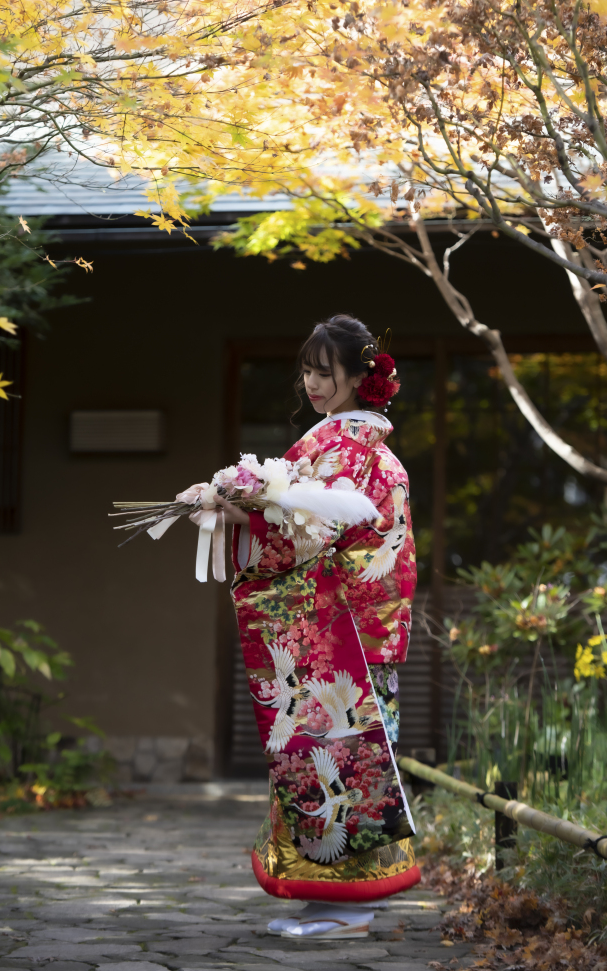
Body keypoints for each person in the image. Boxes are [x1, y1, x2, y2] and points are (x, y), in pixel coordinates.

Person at [191, 314, 419, 939]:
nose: (311, 383)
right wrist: (239, 508)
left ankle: (349, 903)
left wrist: (239, 513)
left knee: (340, 760)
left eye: (325, 372)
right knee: (338, 760)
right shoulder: (353, 444)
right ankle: (338, 899)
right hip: (352, 628)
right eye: (308, 371)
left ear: (359, 376)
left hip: (340, 630)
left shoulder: (348, 447)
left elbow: (310, 535)